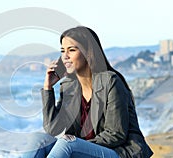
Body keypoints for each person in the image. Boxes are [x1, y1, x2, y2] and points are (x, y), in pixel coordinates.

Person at [23, 26, 153, 158]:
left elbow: (116, 134)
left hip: (120, 152)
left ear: (88, 52)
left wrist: (79, 144)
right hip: (83, 150)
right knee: (38, 140)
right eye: (63, 51)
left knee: (68, 144)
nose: (65, 57)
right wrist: (48, 88)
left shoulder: (110, 81)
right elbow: (54, 129)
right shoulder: (69, 86)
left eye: (71, 50)